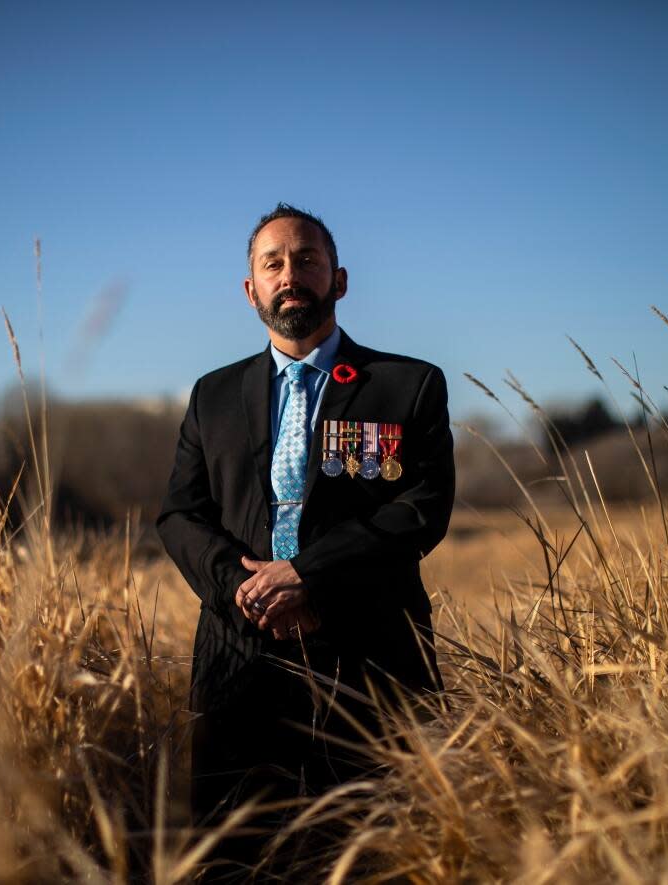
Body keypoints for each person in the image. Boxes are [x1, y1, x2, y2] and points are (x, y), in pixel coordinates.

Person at [156, 203, 455, 879]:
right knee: (232, 863)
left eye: (308, 260)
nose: (292, 275)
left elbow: (423, 509)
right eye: (274, 263)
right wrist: (247, 587)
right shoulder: (211, 396)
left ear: (340, 279)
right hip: (239, 664)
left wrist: (306, 573)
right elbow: (178, 515)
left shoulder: (408, 385)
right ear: (251, 289)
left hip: (371, 659)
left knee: (381, 856)